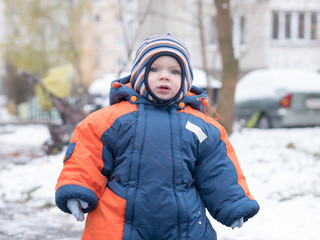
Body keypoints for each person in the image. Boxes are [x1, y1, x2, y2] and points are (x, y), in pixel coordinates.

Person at [55, 34, 259, 240]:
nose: (165, 76)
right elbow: (86, 156)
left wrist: (232, 203)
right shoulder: (111, 120)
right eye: (154, 69)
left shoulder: (202, 127)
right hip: (118, 222)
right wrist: (77, 188)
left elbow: (217, 169)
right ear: (139, 73)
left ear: (186, 79)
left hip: (184, 225)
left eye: (174, 71)